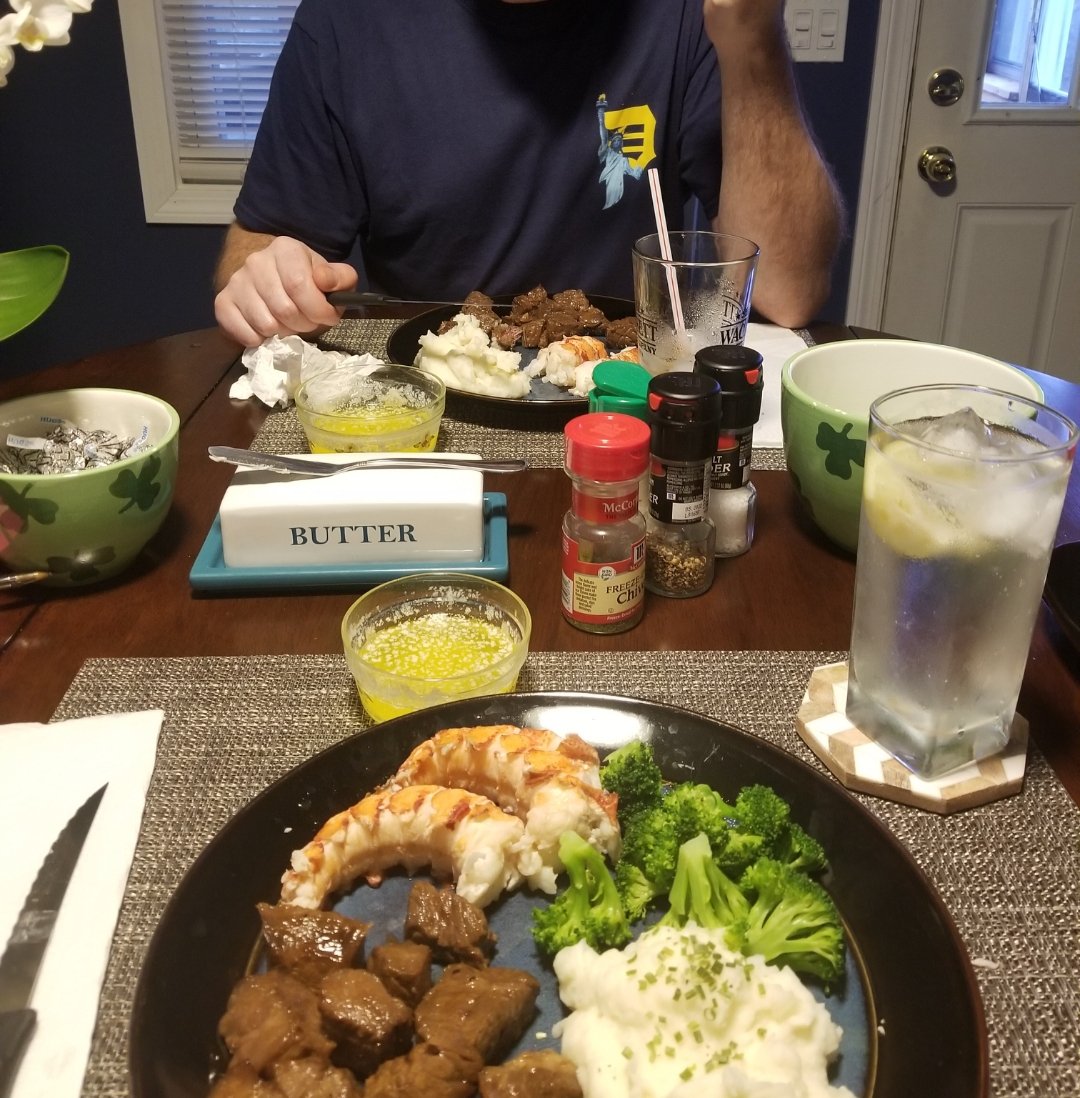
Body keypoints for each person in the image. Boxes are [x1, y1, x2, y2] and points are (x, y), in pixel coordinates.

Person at [214, 0, 844, 348]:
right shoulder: (344, 22)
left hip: (624, 395)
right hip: (434, 397)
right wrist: (269, 279)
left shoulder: (690, 13)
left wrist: (752, 36)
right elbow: (259, 251)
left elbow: (787, 292)